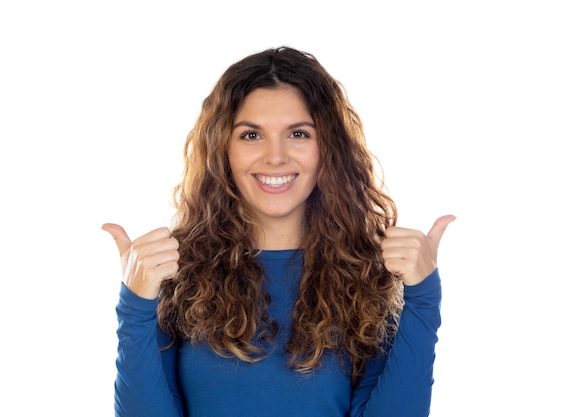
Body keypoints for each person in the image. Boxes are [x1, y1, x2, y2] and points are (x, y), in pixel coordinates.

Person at [102, 46, 455, 417]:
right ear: (223, 149)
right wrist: (135, 305)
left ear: (328, 148)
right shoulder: (173, 272)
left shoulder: (367, 275)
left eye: (298, 134)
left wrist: (423, 297)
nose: (275, 157)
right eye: (251, 135)